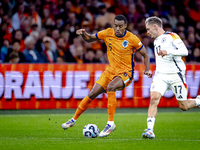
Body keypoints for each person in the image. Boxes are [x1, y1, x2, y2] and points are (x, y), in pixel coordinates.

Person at [61, 15, 152, 137]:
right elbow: (90, 39)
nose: (117, 28)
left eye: (120, 26)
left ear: (125, 26)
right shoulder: (108, 33)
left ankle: (110, 124)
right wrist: (83, 34)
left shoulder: (132, 38)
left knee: (110, 87)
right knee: (92, 94)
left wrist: (146, 70)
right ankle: (73, 120)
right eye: (116, 26)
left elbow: (145, 54)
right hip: (110, 71)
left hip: (126, 73)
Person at [142, 16, 200, 139]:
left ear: (155, 26)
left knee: (183, 106)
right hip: (161, 76)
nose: (148, 32)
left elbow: (185, 51)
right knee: (154, 98)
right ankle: (150, 130)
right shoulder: (156, 40)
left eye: (148, 29)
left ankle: (198, 101)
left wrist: (168, 51)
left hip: (175, 76)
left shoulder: (172, 36)